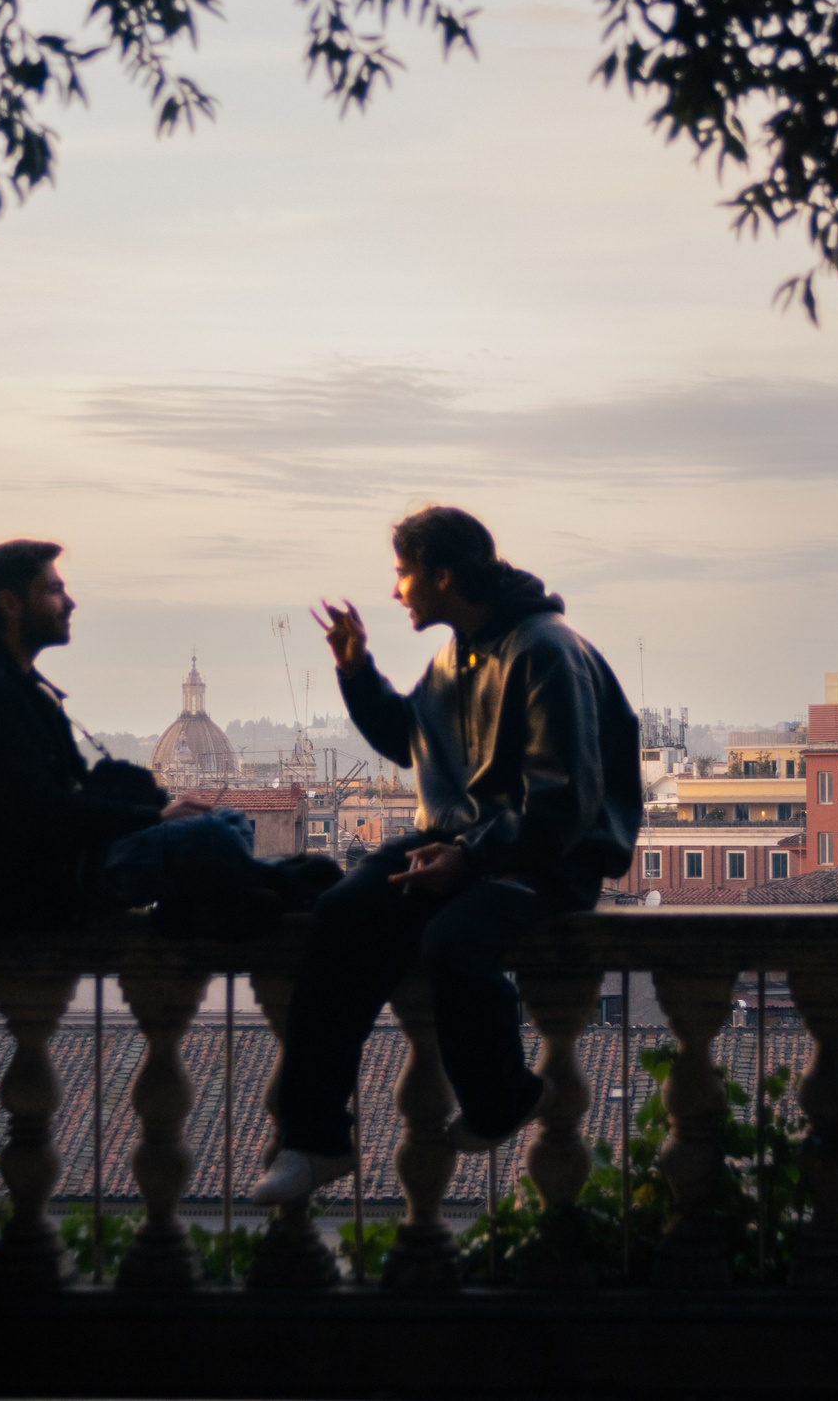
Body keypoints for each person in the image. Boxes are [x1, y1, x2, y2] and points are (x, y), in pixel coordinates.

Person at [250, 507, 642, 1203]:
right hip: (470, 842)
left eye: (403, 574)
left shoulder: (545, 650)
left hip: (546, 858)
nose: (397, 591)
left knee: (452, 942)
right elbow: (412, 738)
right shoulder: (456, 654)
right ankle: (314, 1138)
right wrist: (356, 669)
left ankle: (502, 1096)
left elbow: (562, 803)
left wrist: (471, 861)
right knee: (343, 911)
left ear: (442, 573)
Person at [0, 538, 332, 935]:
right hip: (23, 882)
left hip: (65, 858)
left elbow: (67, 795)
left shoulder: (15, 684)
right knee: (216, 834)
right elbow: (38, 812)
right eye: (54, 590)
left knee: (228, 821)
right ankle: (262, 888)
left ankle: (237, 894)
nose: (70, 602)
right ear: (10, 603)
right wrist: (154, 818)